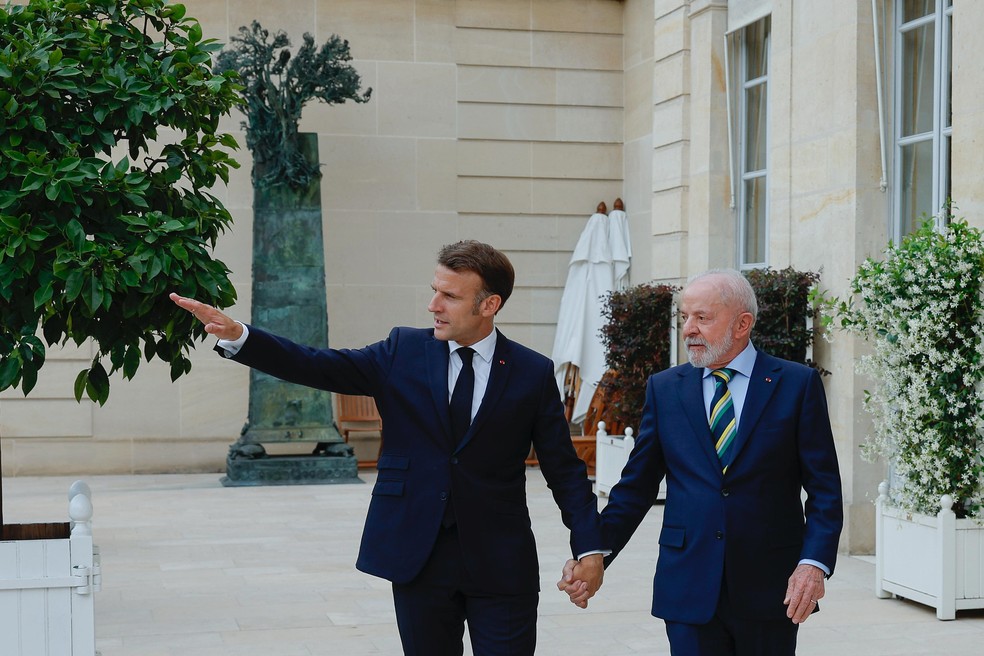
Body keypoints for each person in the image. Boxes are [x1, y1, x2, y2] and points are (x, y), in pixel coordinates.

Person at [170, 240, 605, 656]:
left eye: (449, 296)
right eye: (434, 291)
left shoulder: (531, 372)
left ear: (489, 304)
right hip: (417, 557)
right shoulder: (403, 350)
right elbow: (317, 365)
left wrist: (589, 550)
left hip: (501, 562)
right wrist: (240, 336)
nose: (433, 305)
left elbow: (564, 470)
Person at [560, 268, 843, 655]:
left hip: (770, 587)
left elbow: (825, 490)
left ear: (742, 324)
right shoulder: (665, 389)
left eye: (701, 318)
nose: (688, 329)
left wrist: (813, 564)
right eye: (685, 318)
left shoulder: (796, 385)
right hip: (688, 584)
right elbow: (636, 488)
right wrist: (595, 552)